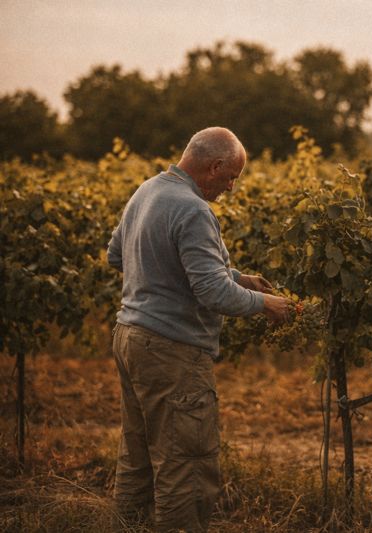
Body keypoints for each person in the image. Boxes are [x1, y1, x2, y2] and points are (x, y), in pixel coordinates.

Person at [107, 127, 291, 532]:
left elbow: (117, 256)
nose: (230, 187)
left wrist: (238, 277)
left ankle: (128, 526)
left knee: (137, 453)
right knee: (185, 461)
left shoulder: (148, 190)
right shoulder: (193, 209)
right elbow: (212, 294)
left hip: (130, 338)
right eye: (231, 178)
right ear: (215, 166)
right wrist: (265, 304)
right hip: (171, 352)